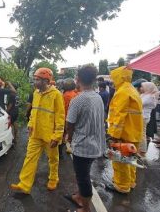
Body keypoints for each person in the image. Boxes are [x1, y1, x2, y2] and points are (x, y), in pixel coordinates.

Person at [10, 68, 65, 194]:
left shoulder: (56, 95)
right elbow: (34, 111)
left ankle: (53, 179)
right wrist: (30, 124)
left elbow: (61, 117)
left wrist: (57, 136)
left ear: (46, 80)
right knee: (30, 158)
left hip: (50, 135)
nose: (35, 82)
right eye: (34, 79)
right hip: (35, 133)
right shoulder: (36, 93)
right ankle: (24, 184)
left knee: (53, 159)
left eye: (37, 79)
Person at [64, 65, 106, 212]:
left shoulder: (78, 100)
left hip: (83, 147)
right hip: (96, 144)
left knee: (83, 178)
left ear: (78, 79)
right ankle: (79, 196)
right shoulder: (98, 97)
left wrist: (68, 138)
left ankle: (85, 208)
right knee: (83, 173)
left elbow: (70, 123)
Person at [106, 66, 143, 194]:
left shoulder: (122, 92)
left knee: (120, 161)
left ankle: (121, 186)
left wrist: (114, 136)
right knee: (131, 160)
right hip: (134, 132)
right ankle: (130, 182)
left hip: (124, 134)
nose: (112, 81)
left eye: (114, 78)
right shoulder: (132, 90)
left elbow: (119, 115)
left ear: (119, 77)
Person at [138, 82, 159, 157]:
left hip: (144, 117)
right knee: (141, 133)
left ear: (148, 88)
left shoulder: (150, 97)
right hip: (142, 116)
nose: (141, 88)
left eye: (143, 87)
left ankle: (142, 151)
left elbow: (139, 103)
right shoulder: (146, 95)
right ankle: (140, 149)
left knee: (142, 134)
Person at [59, 78, 78, 158]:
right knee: (69, 136)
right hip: (74, 119)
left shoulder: (65, 95)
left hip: (65, 119)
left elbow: (61, 108)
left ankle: (59, 152)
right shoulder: (75, 94)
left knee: (61, 136)